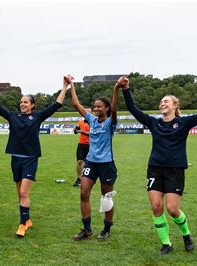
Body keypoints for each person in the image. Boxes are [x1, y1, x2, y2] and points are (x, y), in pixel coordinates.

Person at [121, 76, 197, 254]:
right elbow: (133, 109)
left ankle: (186, 235)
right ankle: (166, 244)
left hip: (175, 170)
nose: (162, 103)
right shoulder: (154, 123)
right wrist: (126, 89)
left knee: (172, 209)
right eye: (161, 101)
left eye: (166, 101)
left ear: (174, 106)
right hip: (155, 168)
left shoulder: (184, 122)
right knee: (156, 207)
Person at [0, 76, 68, 237]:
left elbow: (57, 104)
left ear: (32, 105)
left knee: (24, 192)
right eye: (21, 102)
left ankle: (22, 225)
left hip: (30, 158)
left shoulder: (37, 117)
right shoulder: (13, 117)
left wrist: (64, 86)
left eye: (26, 102)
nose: (22, 104)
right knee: (20, 193)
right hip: (15, 158)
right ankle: (28, 219)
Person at [70, 75, 120, 241]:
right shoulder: (91, 120)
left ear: (106, 109)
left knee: (106, 198)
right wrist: (71, 84)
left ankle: (106, 229)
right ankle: (87, 229)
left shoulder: (110, 123)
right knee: (83, 193)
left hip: (106, 164)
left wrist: (116, 89)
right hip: (91, 162)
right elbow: (77, 104)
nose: (96, 109)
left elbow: (114, 108)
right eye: (95, 107)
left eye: (99, 107)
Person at [72, 108, 91, 187]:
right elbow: (76, 132)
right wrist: (75, 130)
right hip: (81, 144)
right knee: (79, 162)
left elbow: (91, 133)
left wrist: (81, 131)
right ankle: (79, 178)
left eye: (88, 112)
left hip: (90, 145)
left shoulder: (93, 122)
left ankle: (88, 179)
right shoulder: (80, 122)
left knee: (89, 163)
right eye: (86, 112)